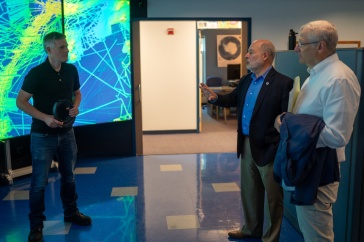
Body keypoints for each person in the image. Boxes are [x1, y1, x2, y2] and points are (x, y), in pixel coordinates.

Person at [274, 20, 361, 242]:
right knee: (310, 231)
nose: (295, 49)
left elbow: (337, 135)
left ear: (320, 46)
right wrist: (288, 121)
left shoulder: (339, 79)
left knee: (317, 236)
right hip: (308, 164)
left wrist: (289, 128)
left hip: (320, 170)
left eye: (300, 43)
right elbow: (308, 120)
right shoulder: (315, 75)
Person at [200, 39, 293, 242]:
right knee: (250, 192)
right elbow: (233, 99)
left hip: (269, 147)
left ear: (265, 56)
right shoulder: (246, 80)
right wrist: (215, 97)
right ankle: (251, 229)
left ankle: (271, 237)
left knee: (272, 197)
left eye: (251, 52)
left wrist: (279, 146)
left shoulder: (283, 83)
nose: (246, 56)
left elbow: (287, 119)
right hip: (246, 143)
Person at [16, 32, 92, 242]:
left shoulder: (71, 70)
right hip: (42, 135)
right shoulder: (37, 73)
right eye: (61, 47)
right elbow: (21, 101)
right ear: (49, 50)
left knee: (69, 177)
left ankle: (71, 212)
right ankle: (36, 225)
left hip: (67, 133)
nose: (66, 50)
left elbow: (77, 93)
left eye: (66, 46)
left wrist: (76, 107)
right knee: (39, 183)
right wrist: (45, 118)